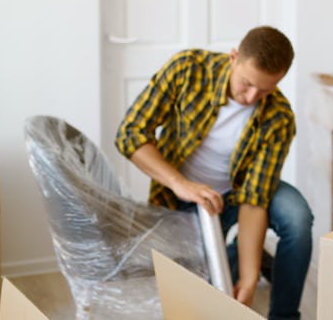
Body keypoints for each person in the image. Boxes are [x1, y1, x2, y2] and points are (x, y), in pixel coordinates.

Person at [115, 25, 313, 320]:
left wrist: (249, 280)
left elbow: (254, 199)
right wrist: (181, 184)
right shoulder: (187, 70)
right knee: (200, 296)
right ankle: (238, 255)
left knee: (297, 218)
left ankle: (283, 314)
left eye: (266, 89)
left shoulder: (279, 116)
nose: (252, 97)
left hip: (241, 193)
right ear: (234, 57)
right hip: (186, 196)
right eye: (247, 84)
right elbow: (130, 135)